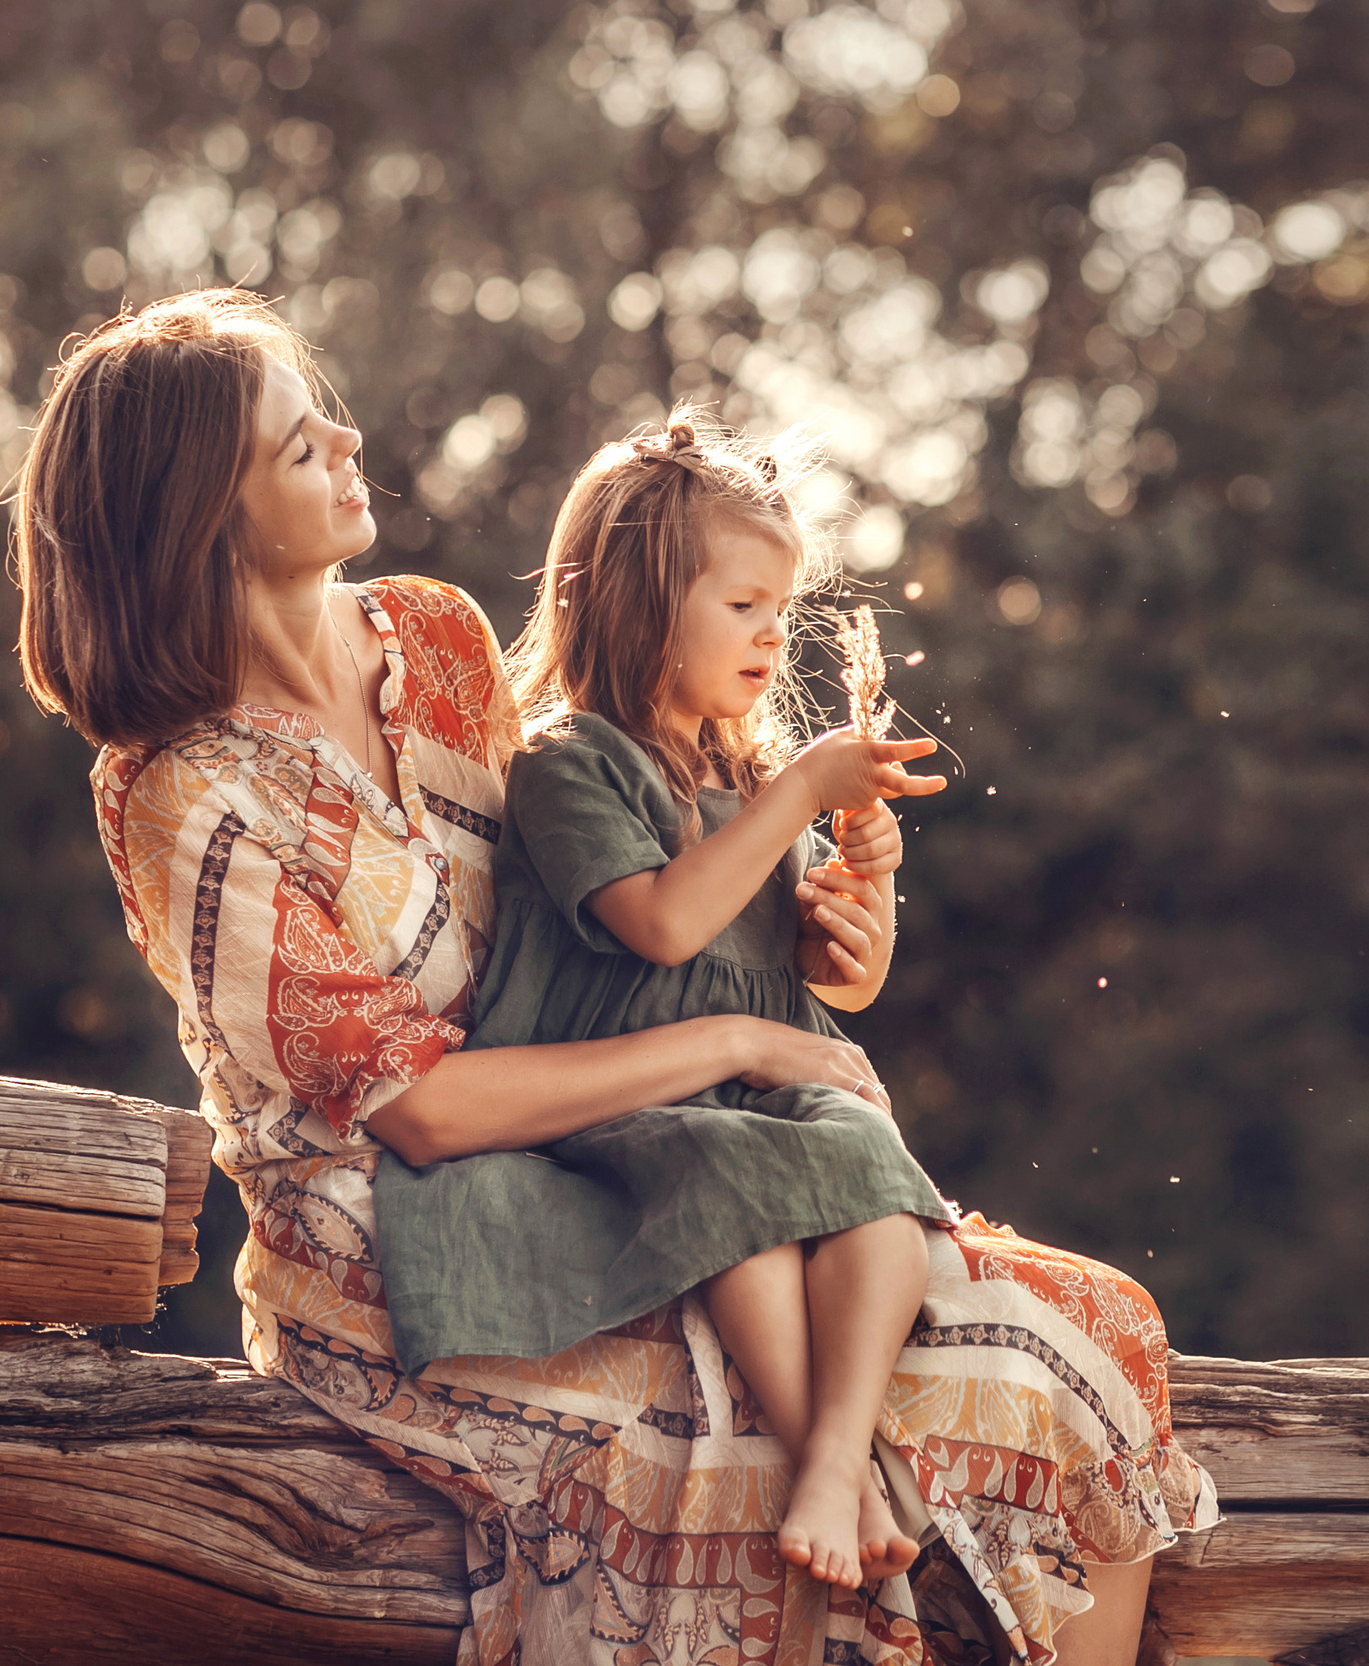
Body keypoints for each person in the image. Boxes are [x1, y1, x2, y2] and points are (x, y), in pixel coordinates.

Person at [13, 287, 1216, 1666]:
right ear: (201, 518)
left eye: (323, 414)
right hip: (393, 1241)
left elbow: (602, 882)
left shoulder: (438, 637)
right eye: (299, 446)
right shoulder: (186, 794)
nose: (350, 439)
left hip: (610, 1147)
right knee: (804, 1410)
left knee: (1098, 1321)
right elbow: (417, 1111)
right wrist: (731, 1047)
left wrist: (822, 923)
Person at [373, 408, 954, 1590]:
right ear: (641, 605)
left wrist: (866, 904)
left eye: (777, 610)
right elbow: (664, 924)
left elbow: (833, 985)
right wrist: (800, 794)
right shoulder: (570, 762)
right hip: (635, 1097)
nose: (769, 634)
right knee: (734, 1189)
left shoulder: (746, 778)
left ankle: (838, 1456)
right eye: (741, 606)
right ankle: (822, 1449)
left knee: (872, 1169)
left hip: (757, 1089)